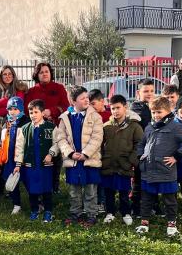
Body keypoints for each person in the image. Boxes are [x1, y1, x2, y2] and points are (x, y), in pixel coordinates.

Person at [135, 96, 182, 237]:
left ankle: (171, 224)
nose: (156, 115)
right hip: (148, 171)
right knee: (146, 199)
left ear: (168, 111)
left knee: (169, 200)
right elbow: (141, 144)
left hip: (166, 172)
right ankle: (144, 222)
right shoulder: (149, 127)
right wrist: (140, 156)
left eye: (159, 112)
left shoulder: (175, 126)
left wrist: (177, 156)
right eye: (153, 112)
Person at [55, 86, 103, 226]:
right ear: (73, 101)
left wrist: (86, 154)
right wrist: (70, 153)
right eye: (82, 98)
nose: (86, 100)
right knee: (74, 191)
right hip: (73, 161)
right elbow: (61, 138)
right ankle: (75, 212)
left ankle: (91, 214)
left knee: (90, 190)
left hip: (89, 161)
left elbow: (97, 138)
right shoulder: (65, 118)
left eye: (87, 97)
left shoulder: (95, 117)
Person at [24, 62, 70, 192]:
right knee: (41, 156)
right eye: (41, 72)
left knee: (56, 156)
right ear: (37, 75)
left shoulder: (59, 88)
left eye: (46, 71)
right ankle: (41, 183)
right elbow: (28, 109)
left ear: (50, 73)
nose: (44, 74)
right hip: (38, 129)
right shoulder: (32, 91)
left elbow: (66, 107)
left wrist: (52, 111)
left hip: (56, 127)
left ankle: (55, 186)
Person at [100, 94, 143, 226]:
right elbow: (100, 144)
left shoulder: (134, 127)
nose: (115, 111)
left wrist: (131, 161)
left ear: (125, 107)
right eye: (112, 108)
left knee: (124, 192)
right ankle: (110, 212)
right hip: (108, 165)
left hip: (125, 165)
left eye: (118, 108)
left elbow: (140, 145)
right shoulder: (106, 126)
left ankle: (126, 213)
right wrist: (103, 159)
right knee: (109, 192)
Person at [13, 99, 56, 222]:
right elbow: (20, 148)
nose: (33, 115)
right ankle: (34, 210)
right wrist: (18, 164)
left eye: (36, 112)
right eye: (31, 112)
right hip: (30, 165)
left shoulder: (51, 127)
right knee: (32, 189)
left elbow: (56, 143)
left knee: (47, 188)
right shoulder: (24, 128)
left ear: (42, 113)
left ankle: (48, 211)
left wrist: (51, 154)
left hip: (45, 165)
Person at [0, 96, 29, 214]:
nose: (12, 112)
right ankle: (16, 204)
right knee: (12, 183)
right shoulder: (6, 124)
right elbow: (1, 145)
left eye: (15, 109)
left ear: (21, 109)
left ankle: (37, 202)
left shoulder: (26, 122)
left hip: (22, 159)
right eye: (10, 109)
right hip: (10, 160)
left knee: (28, 182)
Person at [130, 78, 156, 217]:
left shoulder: (155, 106)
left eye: (152, 91)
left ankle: (153, 205)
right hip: (141, 151)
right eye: (146, 91)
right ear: (138, 93)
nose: (149, 94)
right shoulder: (136, 107)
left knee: (153, 178)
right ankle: (136, 207)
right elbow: (145, 123)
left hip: (155, 149)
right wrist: (152, 107)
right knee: (139, 180)